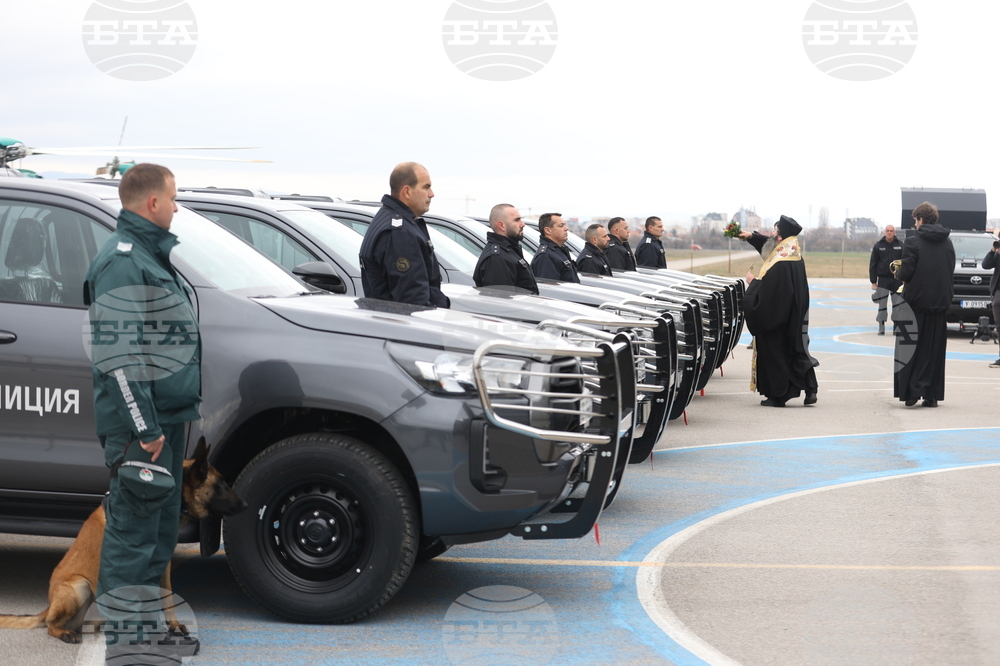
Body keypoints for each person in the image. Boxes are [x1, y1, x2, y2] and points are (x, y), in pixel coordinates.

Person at [83, 163, 202, 657]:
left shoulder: (149, 256)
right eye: (173, 198)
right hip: (143, 430)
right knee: (132, 541)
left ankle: (148, 633)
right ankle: (129, 648)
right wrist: (145, 427)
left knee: (155, 537)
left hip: (164, 423)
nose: (177, 207)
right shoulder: (124, 261)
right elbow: (119, 357)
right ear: (152, 203)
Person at [742, 215, 819, 407]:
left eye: (774, 231)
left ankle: (779, 395)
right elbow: (767, 246)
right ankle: (811, 388)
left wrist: (753, 285)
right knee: (797, 348)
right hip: (792, 312)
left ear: (780, 236)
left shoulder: (781, 262)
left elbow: (772, 292)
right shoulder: (790, 251)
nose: (771, 234)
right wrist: (751, 236)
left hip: (778, 315)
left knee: (777, 351)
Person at [359, 162, 449, 307]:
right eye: (426, 187)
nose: (432, 194)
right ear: (407, 192)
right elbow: (413, 300)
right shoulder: (399, 233)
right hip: (405, 325)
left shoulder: (391, 219)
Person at [893, 202, 955, 407]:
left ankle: (911, 392)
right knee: (934, 349)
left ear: (920, 219)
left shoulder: (912, 242)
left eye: (915, 220)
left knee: (911, 348)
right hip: (939, 302)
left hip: (916, 302)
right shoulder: (947, 242)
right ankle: (932, 395)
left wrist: (897, 273)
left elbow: (907, 272)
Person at [473, 203, 538, 294]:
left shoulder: (508, 251)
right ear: (501, 225)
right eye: (517, 220)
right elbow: (502, 302)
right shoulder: (497, 258)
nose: (522, 224)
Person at [869, 224, 904, 335]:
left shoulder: (901, 245)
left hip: (897, 279)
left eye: (891, 231)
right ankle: (881, 325)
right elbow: (873, 264)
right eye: (887, 230)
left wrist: (904, 278)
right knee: (882, 304)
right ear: (884, 232)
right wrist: (873, 281)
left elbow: (905, 263)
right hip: (883, 280)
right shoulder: (878, 246)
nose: (889, 232)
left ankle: (896, 326)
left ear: (894, 232)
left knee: (897, 304)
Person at [531, 212, 580, 282]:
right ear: (548, 230)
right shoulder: (546, 256)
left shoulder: (557, 251)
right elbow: (550, 289)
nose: (566, 229)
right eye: (561, 226)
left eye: (565, 225)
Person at [982, 238, 1000, 368]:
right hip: (998, 293)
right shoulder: (997, 253)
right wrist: (993, 250)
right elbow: (986, 265)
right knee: (999, 327)